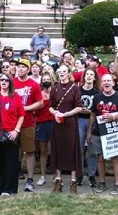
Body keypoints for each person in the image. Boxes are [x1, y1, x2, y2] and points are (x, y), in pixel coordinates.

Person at [87, 73, 118, 195]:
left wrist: (113, 117)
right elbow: (93, 114)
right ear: (101, 84)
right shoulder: (97, 97)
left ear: (113, 83)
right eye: (104, 81)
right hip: (98, 132)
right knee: (100, 158)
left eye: (109, 81)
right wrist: (89, 130)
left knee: (116, 159)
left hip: (114, 132)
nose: (106, 83)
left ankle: (117, 184)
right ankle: (102, 182)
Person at [50, 65, 83, 193]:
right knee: (58, 150)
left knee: (72, 151)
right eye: (60, 72)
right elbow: (50, 106)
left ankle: (73, 182)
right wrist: (55, 113)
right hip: (58, 123)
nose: (62, 74)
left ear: (69, 73)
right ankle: (58, 180)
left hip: (70, 123)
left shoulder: (75, 88)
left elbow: (79, 107)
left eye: (64, 72)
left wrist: (66, 114)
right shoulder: (55, 88)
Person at [11, 58, 42, 192]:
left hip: (28, 123)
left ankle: (30, 179)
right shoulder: (11, 83)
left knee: (29, 151)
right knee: (13, 151)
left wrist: (26, 108)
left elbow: (40, 103)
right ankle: (14, 173)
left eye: (24, 67)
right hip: (11, 124)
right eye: (19, 66)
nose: (21, 69)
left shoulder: (33, 84)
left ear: (28, 69)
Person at [77, 68, 99, 186]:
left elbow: (96, 111)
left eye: (91, 74)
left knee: (92, 150)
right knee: (80, 149)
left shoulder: (97, 93)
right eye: (87, 74)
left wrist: (89, 111)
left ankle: (91, 175)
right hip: (79, 121)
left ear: (94, 78)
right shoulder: (78, 90)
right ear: (84, 77)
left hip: (92, 121)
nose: (89, 76)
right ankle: (79, 174)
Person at [34, 73, 54, 186]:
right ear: (41, 82)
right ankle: (42, 175)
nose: (46, 81)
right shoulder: (39, 95)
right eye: (44, 79)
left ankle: (56, 174)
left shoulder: (55, 94)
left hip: (53, 124)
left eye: (48, 79)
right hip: (41, 125)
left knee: (54, 150)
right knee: (43, 151)